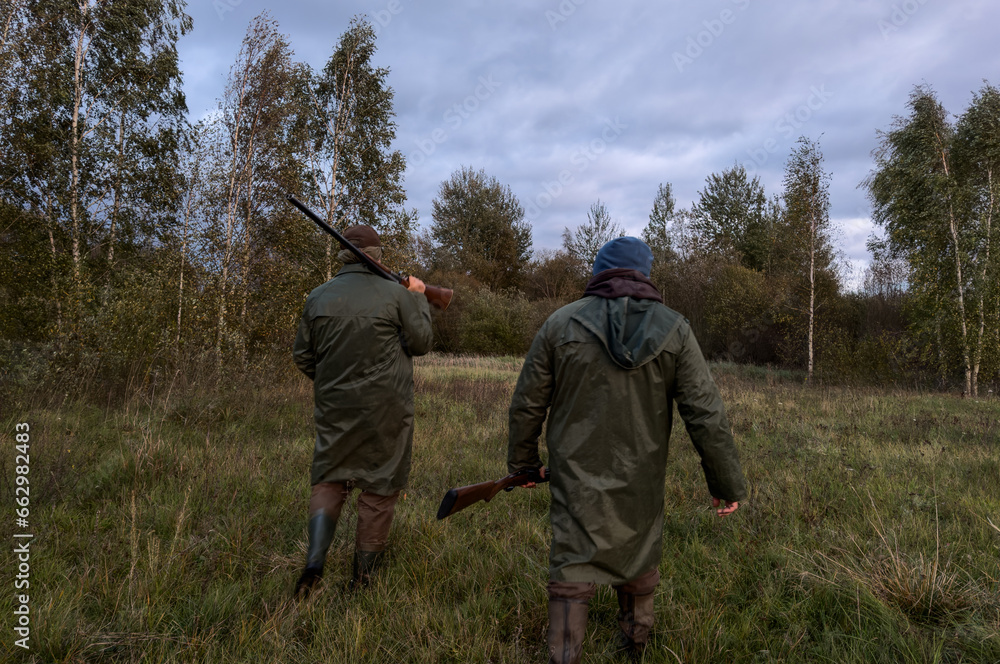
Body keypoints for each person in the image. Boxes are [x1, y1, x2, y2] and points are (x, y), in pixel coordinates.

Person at [507, 236, 747, 662]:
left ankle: (564, 656)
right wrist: (725, 482)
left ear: (599, 271)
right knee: (638, 553)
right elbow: (705, 413)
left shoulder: (561, 323)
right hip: (642, 477)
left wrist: (524, 464)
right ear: (645, 274)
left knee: (572, 560)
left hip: (576, 476)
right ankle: (633, 649)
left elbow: (528, 402)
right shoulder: (675, 327)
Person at [292, 224, 433, 596]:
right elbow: (421, 343)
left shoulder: (317, 297)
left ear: (342, 256)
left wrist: (333, 385)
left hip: (334, 408)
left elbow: (303, 357)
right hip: (387, 410)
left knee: (329, 478)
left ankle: (313, 566)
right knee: (380, 486)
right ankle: (362, 579)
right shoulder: (397, 296)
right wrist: (418, 296)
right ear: (377, 255)